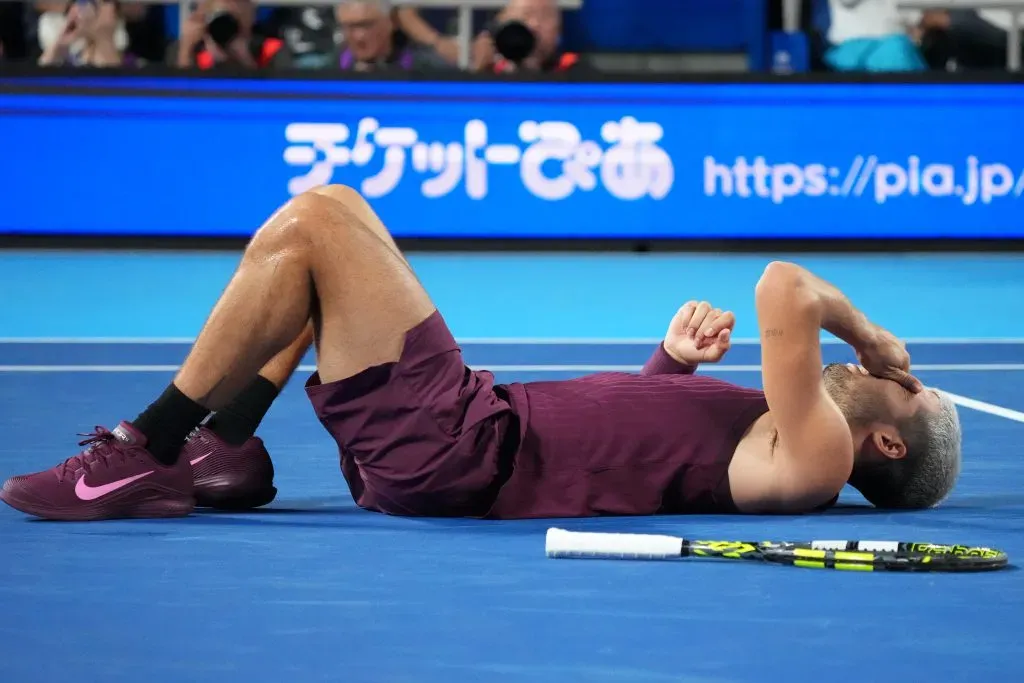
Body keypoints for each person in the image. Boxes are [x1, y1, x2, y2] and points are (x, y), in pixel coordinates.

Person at [0, 185, 962, 521]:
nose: (889, 373)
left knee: (322, 222)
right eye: (895, 367)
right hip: (466, 438)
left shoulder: (820, 453)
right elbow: (621, 459)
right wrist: (666, 368)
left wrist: (870, 332)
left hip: (465, 447)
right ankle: (226, 449)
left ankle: (148, 449)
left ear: (882, 445)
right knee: (328, 246)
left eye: (902, 391)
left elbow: (783, 287)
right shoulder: (771, 440)